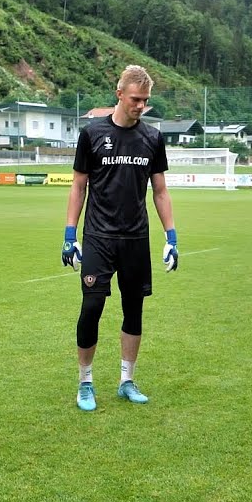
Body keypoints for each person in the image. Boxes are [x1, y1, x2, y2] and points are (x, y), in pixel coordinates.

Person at [63, 64, 177, 412]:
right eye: (135, 99)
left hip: (135, 238)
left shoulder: (152, 138)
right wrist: (70, 233)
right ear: (119, 95)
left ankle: (127, 381)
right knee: (92, 307)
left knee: (134, 310)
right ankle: (85, 383)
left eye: (145, 101)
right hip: (98, 236)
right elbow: (79, 184)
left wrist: (171, 236)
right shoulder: (92, 134)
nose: (140, 106)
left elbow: (159, 190)